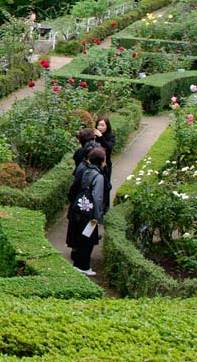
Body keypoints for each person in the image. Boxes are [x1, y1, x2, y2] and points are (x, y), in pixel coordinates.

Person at [66, 147, 106, 276]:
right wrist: (97, 217)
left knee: (82, 237)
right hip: (90, 213)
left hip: (81, 209)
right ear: (101, 160)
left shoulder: (85, 170)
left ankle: (78, 263)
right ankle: (83, 265)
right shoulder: (98, 176)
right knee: (88, 240)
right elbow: (97, 197)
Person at [92, 116, 116, 214]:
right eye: (98, 125)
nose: (100, 127)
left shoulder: (110, 136)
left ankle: (105, 208)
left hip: (106, 166)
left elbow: (108, 146)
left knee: (106, 187)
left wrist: (101, 137)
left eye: (102, 125)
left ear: (107, 126)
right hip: (95, 166)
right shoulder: (94, 136)